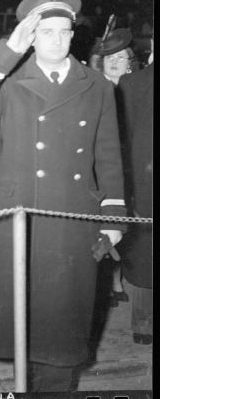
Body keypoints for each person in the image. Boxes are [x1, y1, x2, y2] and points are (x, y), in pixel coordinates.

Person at [0, 0, 126, 392]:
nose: (56, 39)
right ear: (31, 37)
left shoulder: (97, 85)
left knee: (63, 328)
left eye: (63, 31)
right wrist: (8, 49)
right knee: (21, 319)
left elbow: (108, 156)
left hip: (72, 215)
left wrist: (115, 218)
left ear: (73, 35)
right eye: (45, 31)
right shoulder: (11, 81)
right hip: (21, 214)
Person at [90, 27, 139, 306]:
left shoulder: (137, 89)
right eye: (110, 57)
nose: (115, 61)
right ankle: (105, 284)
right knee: (104, 225)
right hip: (103, 169)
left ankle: (118, 280)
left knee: (125, 227)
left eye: (121, 57)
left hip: (130, 169)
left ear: (130, 62)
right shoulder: (95, 87)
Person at [118, 59, 154, 345]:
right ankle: (143, 324)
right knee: (146, 254)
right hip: (146, 186)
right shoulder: (132, 83)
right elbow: (123, 141)